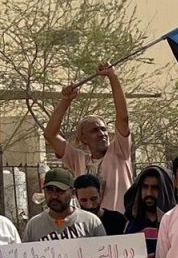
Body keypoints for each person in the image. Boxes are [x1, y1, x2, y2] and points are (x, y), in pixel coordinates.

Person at [45, 62, 134, 212]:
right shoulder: (79, 160)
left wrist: (112, 76)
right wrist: (66, 100)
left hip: (121, 223)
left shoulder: (119, 151)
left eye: (103, 129)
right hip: (91, 224)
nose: (102, 134)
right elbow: (50, 135)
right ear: (83, 138)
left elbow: (123, 117)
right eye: (95, 130)